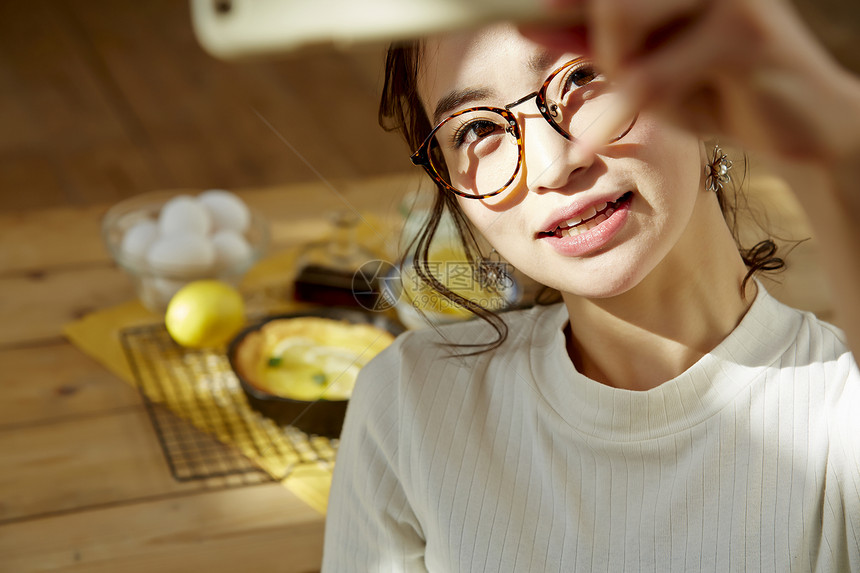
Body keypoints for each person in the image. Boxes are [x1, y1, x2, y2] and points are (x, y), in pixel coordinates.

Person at [322, 0, 860, 570]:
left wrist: (829, 154)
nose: (553, 165)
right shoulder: (407, 406)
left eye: (585, 75)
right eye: (477, 128)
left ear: (697, 84)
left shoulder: (839, 417)